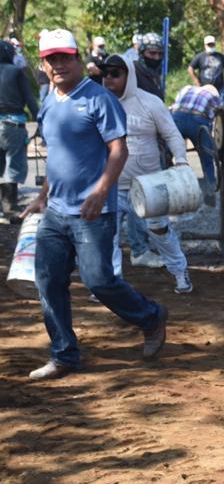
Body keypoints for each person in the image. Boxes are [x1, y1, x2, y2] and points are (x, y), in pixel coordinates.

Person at [21, 29, 168, 381]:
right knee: (48, 281)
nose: (59, 65)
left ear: (77, 59)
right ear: (44, 64)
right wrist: (41, 198)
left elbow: (119, 149)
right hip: (56, 212)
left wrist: (102, 190)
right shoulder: (48, 102)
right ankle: (64, 355)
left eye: (64, 57)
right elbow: (56, 157)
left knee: (99, 280)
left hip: (93, 212)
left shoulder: (99, 99)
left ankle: (150, 317)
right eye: (51, 59)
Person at [99, 55, 194, 292]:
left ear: (128, 75)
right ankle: (112, 284)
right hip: (112, 185)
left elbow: (172, 134)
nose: (108, 78)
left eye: (115, 73)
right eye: (105, 73)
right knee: (108, 235)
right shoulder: (98, 103)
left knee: (159, 230)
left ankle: (180, 272)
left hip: (149, 184)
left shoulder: (150, 103)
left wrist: (181, 162)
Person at [0, 39, 39, 222]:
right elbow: (30, 100)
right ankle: (10, 207)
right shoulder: (16, 72)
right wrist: (41, 122)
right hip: (13, 126)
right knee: (13, 165)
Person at [170, 83, 223, 193]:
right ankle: (210, 191)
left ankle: (167, 185)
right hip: (198, 121)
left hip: (176, 117)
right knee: (206, 156)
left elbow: (175, 104)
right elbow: (218, 119)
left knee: (167, 152)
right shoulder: (213, 97)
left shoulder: (186, 88)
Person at [188, 35, 224, 100]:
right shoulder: (200, 57)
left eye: (212, 44)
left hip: (219, 88)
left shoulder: (221, 57)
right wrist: (196, 80)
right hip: (204, 88)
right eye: (209, 45)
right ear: (205, 45)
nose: (211, 46)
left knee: (220, 107)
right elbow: (190, 68)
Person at [134, 32, 165, 100]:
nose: (157, 57)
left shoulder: (154, 74)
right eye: (152, 53)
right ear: (142, 52)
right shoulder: (133, 71)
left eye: (160, 54)